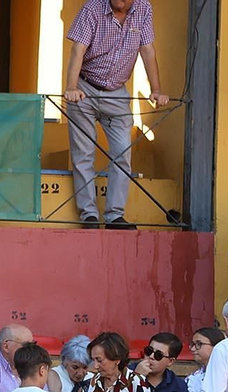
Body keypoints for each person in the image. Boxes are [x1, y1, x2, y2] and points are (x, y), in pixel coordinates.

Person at [64, 0, 166, 229]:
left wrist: (156, 90)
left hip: (117, 93)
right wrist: (71, 87)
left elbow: (148, 50)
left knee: (122, 152)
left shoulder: (144, 9)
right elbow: (77, 49)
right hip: (85, 87)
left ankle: (114, 216)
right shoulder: (92, 8)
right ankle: (88, 214)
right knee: (83, 154)